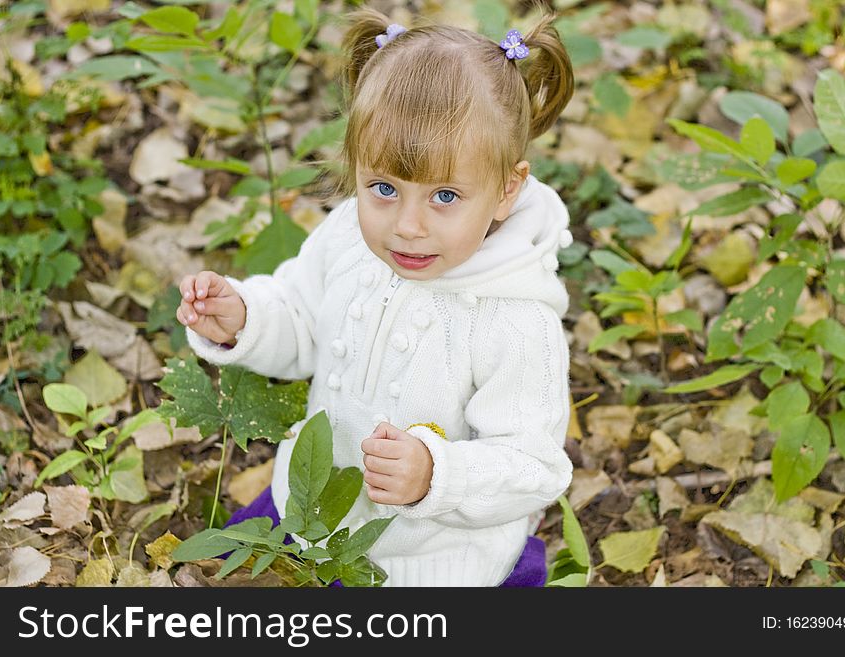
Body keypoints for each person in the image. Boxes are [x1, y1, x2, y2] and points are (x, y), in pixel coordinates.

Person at [176, 5, 576, 587]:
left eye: (444, 197)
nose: (407, 225)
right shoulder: (347, 237)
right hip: (309, 510)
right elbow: (303, 319)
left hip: (432, 559)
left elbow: (534, 466)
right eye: (383, 188)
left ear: (507, 188)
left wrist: (434, 475)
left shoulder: (516, 321)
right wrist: (244, 317)